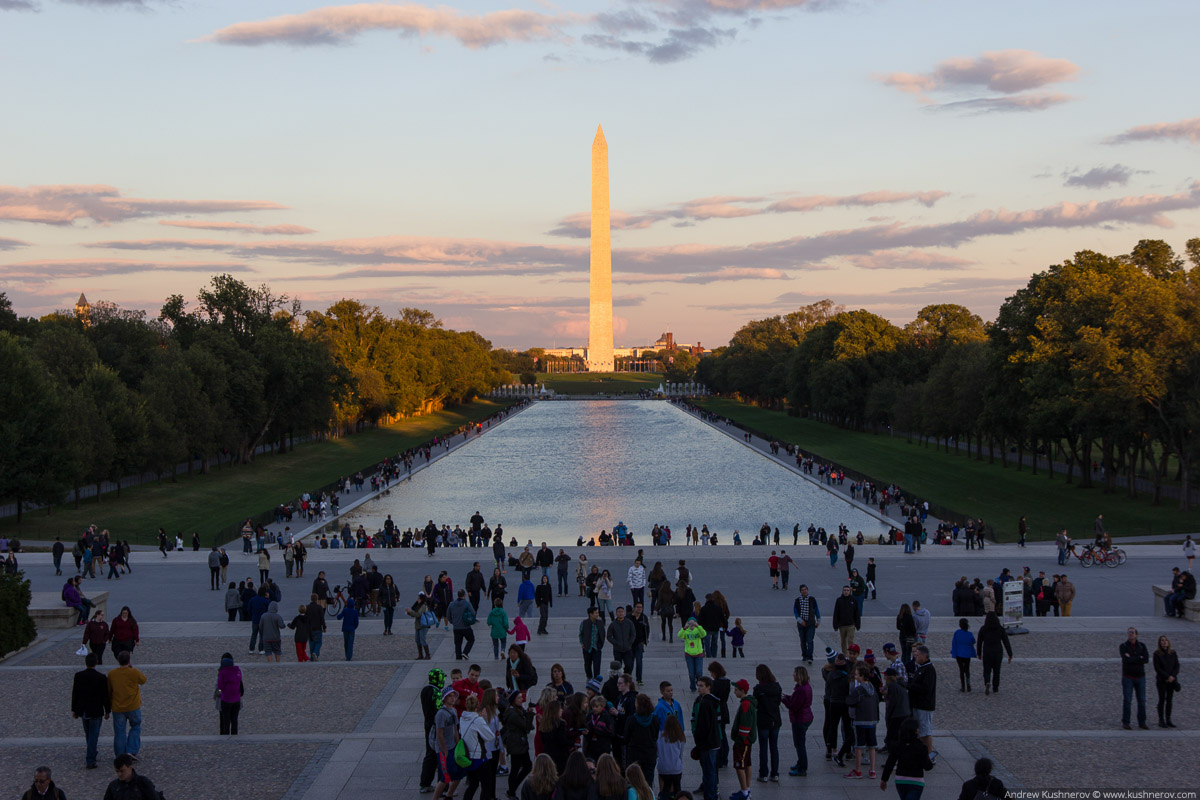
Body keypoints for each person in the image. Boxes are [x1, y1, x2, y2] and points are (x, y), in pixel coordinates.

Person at [72, 653, 110, 769]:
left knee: (89, 734)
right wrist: (107, 710)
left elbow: (75, 694)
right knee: (93, 735)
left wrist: (74, 709)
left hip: (84, 710)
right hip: (96, 710)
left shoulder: (78, 676)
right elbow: (105, 696)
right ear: (96, 662)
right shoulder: (101, 677)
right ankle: (90, 759)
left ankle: (92, 752)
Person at [878, 718, 933, 799]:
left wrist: (884, 780)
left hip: (900, 780)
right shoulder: (920, 747)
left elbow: (890, 763)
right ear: (916, 731)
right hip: (916, 781)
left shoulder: (898, 746)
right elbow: (928, 767)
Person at [107, 649, 146, 759]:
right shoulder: (133, 672)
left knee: (119, 732)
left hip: (118, 707)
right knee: (135, 727)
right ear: (129, 661)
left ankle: (120, 754)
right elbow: (143, 680)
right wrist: (132, 668)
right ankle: (131, 750)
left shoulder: (112, 674)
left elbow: (109, 691)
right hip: (133, 706)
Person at [844, 663, 879, 780]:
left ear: (862, 676)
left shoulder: (858, 690)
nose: (855, 675)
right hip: (872, 721)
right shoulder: (872, 688)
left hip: (860, 721)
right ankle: (872, 770)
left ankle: (858, 770)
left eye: (857, 674)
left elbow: (849, 701)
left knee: (858, 746)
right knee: (872, 746)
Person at [502, 689, 536, 796]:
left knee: (524, 766)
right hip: (516, 744)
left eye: (522, 697)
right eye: (519, 698)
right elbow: (526, 727)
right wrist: (530, 715)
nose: (522, 700)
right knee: (518, 768)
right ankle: (511, 791)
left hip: (519, 743)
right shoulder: (514, 714)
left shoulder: (518, 710)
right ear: (513, 700)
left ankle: (512, 790)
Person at [751, 664, 781, 783]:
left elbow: (755, 704)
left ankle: (763, 774)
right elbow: (778, 702)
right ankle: (775, 773)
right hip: (775, 720)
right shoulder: (777, 687)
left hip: (763, 720)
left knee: (763, 748)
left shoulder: (758, 689)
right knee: (774, 747)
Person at [692, 677, 721, 800]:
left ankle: (710, 795)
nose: (699, 688)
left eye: (701, 686)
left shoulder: (704, 703)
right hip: (714, 741)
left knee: (709, 772)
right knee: (711, 771)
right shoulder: (713, 701)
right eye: (698, 685)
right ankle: (712, 793)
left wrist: (699, 743)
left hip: (707, 744)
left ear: (709, 687)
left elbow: (703, 726)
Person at [781, 665, 812, 777]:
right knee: (799, 743)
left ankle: (802, 767)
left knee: (799, 744)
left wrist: (784, 700)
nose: (793, 675)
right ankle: (800, 763)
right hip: (805, 717)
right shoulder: (804, 687)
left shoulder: (801, 690)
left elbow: (794, 706)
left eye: (794, 673)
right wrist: (789, 697)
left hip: (800, 719)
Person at [431, 687, 462, 800]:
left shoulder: (453, 711)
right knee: (445, 777)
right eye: (450, 696)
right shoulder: (441, 714)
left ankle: (449, 795)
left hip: (453, 746)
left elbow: (455, 729)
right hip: (444, 749)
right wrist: (444, 750)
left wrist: (458, 744)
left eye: (454, 696)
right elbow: (439, 734)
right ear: (444, 699)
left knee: (458, 773)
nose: (453, 698)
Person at [907, 646, 936, 762]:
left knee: (925, 732)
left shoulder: (928, 670)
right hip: (918, 705)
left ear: (924, 656)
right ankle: (922, 754)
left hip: (924, 706)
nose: (915, 657)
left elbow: (925, 688)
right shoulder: (921, 668)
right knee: (921, 731)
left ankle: (929, 756)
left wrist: (909, 686)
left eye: (917, 655)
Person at [729, 679, 756, 800]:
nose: (734, 692)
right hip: (747, 741)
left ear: (742, 691)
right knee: (747, 763)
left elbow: (745, 725)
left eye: (736, 690)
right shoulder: (748, 703)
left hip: (743, 742)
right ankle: (746, 788)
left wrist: (740, 738)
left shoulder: (745, 704)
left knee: (739, 765)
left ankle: (744, 792)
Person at [975, 612, 1013, 695]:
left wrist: (979, 653)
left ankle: (987, 682)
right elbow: (1006, 642)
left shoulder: (983, 629)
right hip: (998, 652)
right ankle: (995, 688)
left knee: (987, 670)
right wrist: (1010, 654)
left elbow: (979, 642)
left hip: (987, 652)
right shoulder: (1000, 629)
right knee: (997, 671)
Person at [1120, 627, 1150, 730]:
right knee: (1127, 700)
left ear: (1136, 634)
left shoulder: (1142, 646)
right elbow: (1126, 660)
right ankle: (1126, 722)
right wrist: (1138, 657)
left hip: (1140, 677)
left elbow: (1146, 659)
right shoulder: (1123, 646)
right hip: (1127, 677)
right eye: (1129, 632)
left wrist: (1132, 657)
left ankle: (1142, 722)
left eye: (1132, 632)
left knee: (1141, 701)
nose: (1130, 634)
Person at [657, 714, 686, 800]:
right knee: (677, 788)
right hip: (676, 768)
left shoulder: (660, 735)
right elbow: (680, 754)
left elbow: (657, 751)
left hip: (663, 768)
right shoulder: (680, 737)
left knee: (666, 788)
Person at [1153, 635, 1179, 728]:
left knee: (1169, 700)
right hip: (1162, 681)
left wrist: (1172, 676)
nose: (1164, 642)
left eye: (1165, 640)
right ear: (1160, 643)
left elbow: (1176, 666)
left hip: (1171, 681)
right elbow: (1158, 668)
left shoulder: (1173, 653)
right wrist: (1167, 676)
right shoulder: (1157, 654)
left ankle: (1168, 719)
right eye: (1162, 641)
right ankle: (1161, 719)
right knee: (1162, 699)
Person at [216, 652, 243, 735]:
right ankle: (234, 735)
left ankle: (225, 736)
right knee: (234, 720)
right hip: (236, 699)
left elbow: (220, 687)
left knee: (225, 720)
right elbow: (241, 685)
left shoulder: (222, 672)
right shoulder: (237, 671)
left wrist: (219, 693)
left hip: (225, 700)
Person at [792, 585, 820, 664]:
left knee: (810, 640)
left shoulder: (812, 599)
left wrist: (818, 621)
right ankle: (804, 655)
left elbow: (816, 610)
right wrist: (800, 620)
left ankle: (810, 656)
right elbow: (795, 612)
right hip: (801, 624)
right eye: (802, 590)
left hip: (810, 623)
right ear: (800, 591)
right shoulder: (797, 600)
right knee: (803, 640)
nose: (804, 591)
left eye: (805, 589)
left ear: (807, 590)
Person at [677, 617, 707, 692]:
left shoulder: (698, 630)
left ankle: (699, 685)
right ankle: (692, 686)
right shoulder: (686, 631)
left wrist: (698, 626)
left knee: (699, 672)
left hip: (698, 654)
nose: (691, 625)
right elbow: (680, 635)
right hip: (689, 655)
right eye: (690, 623)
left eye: (693, 623)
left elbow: (704, 634)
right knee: (691, 673)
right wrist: (684, 628)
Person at [608, 605, 637, 675]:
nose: (620, 613)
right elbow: (609, 636)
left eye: (622, 612)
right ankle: (618, 678)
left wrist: (629, 643)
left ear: (624, 613)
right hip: (617, 649)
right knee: (618, 666)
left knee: (629, 665)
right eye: (619, 612)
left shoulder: (629, 623)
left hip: (627, 648)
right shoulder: (613, 624)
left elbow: (633, 634)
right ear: (616, 613)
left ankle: (626, 676)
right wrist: (615, 643)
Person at [580, 606, 607, 680]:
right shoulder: (584, 623)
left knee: (597, 664)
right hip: (587, 647)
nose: (597, 614)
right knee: (587, 664)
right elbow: (581, 634)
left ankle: (596, 678)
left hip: (597, 647)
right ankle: (589, 676)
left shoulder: (600, 622)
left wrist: (601, 645)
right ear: (590, 614)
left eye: (598, 613)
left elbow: (603, 634)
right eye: (596, 613)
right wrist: (582, 643)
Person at [449, 589, 477, 661]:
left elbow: (448, 615)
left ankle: (458, 658)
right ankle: (465, 652)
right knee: (471, 639)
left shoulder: (452, 604)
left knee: (458, 643)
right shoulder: (467, 603)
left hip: (456, 627)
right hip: (466, 626)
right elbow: (473, 613)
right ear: (464, 595)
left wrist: (452, 621)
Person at [832, 585, 860, 654]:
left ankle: (850, 653)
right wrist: (835, 625)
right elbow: (836, 613)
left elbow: (857, 613)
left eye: (847, 590)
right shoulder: (839, 600)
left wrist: (858, 624)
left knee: (850, 640)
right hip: (842, 625)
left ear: (850, 591)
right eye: (845, 590)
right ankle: (845, 654)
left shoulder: (853, 600)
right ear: (842, 591)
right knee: (843, 640)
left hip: (851, 624)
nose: (846, 592)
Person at [950, 618, 974, 693]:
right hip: (967, 654)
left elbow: (954, 643)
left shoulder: (957, 633)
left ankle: (963, 686)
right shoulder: (969, 634)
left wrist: (954, 653)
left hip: (959, 654)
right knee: (967, 669)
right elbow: (973, 641)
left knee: (961, 670)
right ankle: (968, 683)